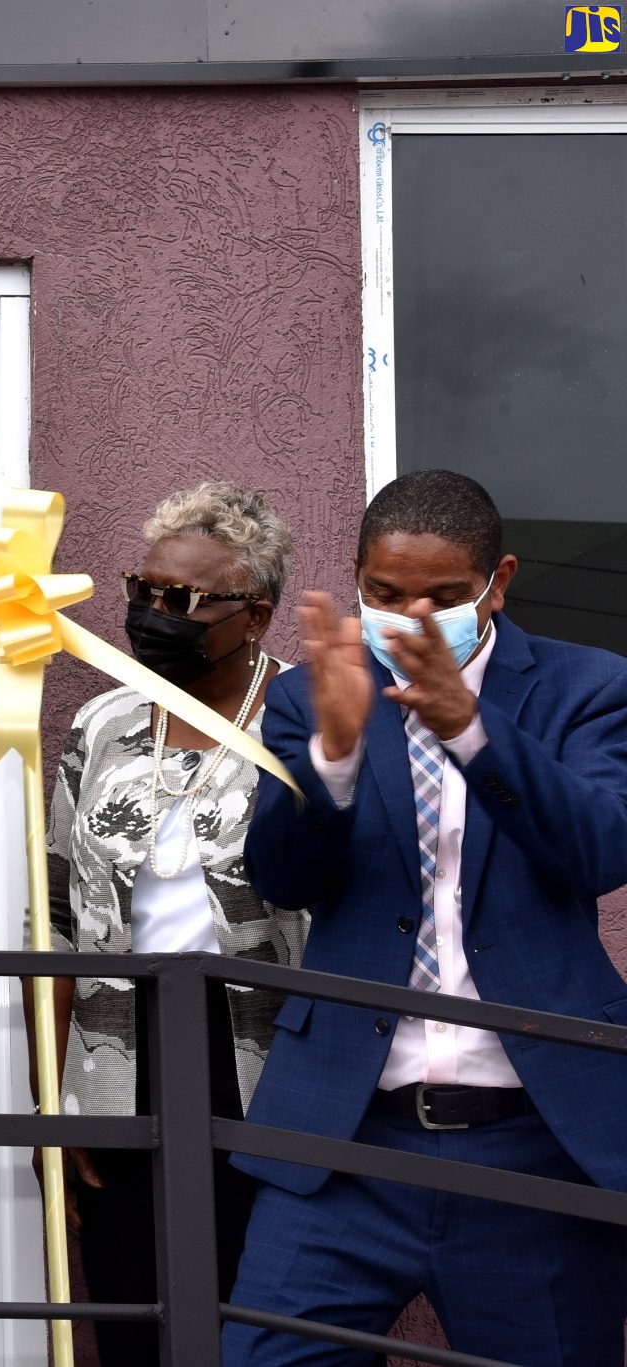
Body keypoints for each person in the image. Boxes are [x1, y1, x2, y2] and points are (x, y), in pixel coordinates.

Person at [227, 470, 627, 1366]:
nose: (410, 613)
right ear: (359, 578)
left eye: (443, 596)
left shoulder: (589, 686)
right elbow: (282, 875)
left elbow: (601, 849)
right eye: (385, 592)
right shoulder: (308, 696)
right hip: (343, 1134)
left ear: (500, 582)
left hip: (537, 1143)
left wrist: (473, 728)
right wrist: (330, 759)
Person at [39, 482, 306, 1367]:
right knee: (133, 1306)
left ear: (255, 615)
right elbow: (60, 917)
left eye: (182, 600)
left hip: (265, 1060)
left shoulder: (304, 723)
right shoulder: (102, 721)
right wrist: (56, 1095)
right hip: (120, 1055)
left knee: (267, 1317)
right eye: (142, 589)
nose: (152, 613)